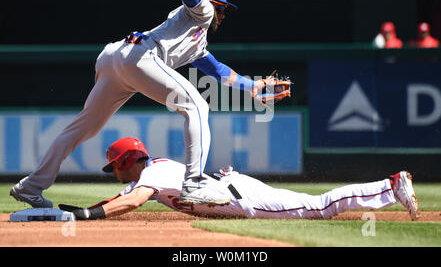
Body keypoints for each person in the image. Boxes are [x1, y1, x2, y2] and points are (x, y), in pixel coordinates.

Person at [10, 0, 274, 208]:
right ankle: (193, 184)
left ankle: (31, 187)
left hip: (114, 58)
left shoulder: (195, 40)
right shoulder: (203, 12)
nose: (223, 15)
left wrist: (252, 86)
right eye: (223, 9)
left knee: (82, 129)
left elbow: (218, 71)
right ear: (214, 6)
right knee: (196, 106)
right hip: (139, 58)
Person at [60, 137, 420, 221]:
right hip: (234, 189)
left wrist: (88, 217)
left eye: (116, 166)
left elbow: (132, 201)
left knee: (318, 207)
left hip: (241, 199)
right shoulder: (152, 171)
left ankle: (390, 185)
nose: (115, 173)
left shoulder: (153, 173)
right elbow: (121, 198)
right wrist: (82, 210)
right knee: (316, 206)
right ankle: (390, 186)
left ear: (127, 161)